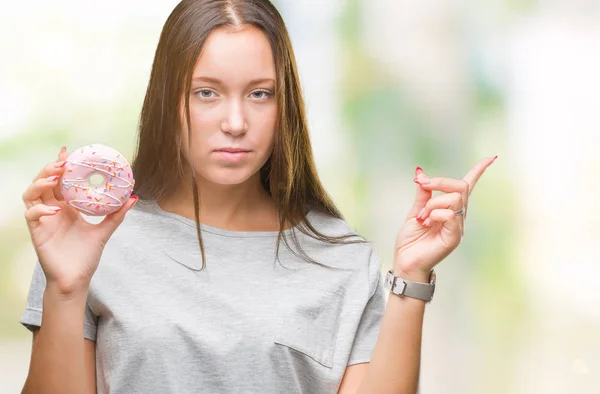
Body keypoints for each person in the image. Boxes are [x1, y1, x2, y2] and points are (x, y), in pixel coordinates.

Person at [19, 1, 496, 393]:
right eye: (206, 93)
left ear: (284, 104)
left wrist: (412, 276)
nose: (235, 122)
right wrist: (65, 288)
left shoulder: (341, 259)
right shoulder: (90, 243)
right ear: (168, 101)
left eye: (260, 94)